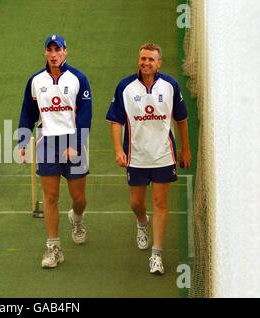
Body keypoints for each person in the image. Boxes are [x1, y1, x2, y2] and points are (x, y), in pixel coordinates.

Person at [106, 43, 191, 275]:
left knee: (161, 203)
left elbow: (181, 119)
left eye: (150, 59)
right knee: (136, 203)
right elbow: (115, 121)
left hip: (164, 155)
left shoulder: (171, 85)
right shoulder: (125, 86)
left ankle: (157, 254)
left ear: (159, 63)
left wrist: (186, 150)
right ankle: (142, 223)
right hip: (136, 156)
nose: (146, 63)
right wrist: (117, 150)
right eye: (143, 58)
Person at [18, 34, 92, 268]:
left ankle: (76, 219)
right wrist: (22, 142)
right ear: (45, 53)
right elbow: (28, 112)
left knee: (79, 199)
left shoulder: (79, 78)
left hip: (73, 140)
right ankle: (53, 248)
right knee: (50, 198)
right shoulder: (36, 81)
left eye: (57, 50)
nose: (53, 54)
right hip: (47, 142)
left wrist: (75, 144)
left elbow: (85, 114)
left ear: (65, 52)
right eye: (49, 50)